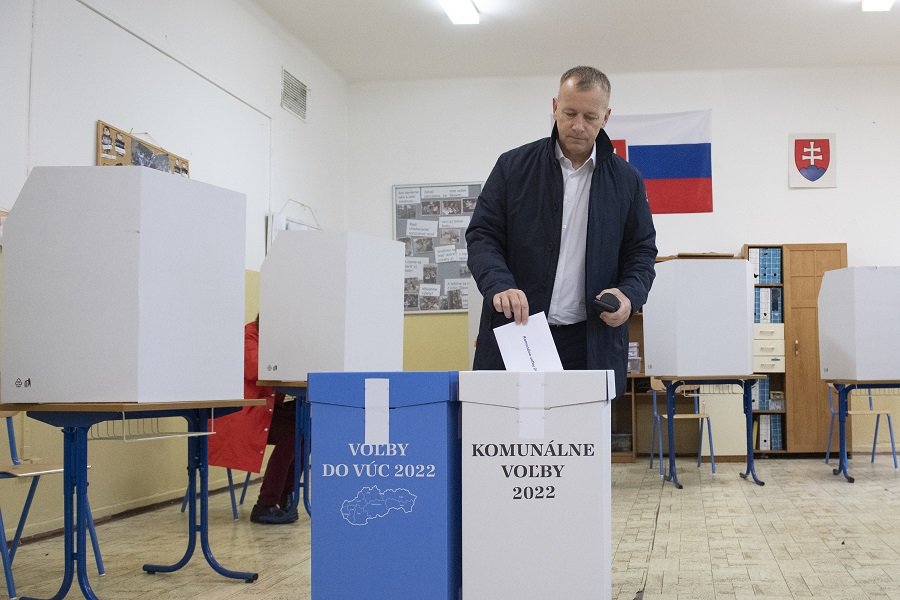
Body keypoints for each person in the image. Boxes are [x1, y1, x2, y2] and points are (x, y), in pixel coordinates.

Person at [465, 66, 657, 397]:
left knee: (582, 430)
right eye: (569, 113)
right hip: (518, 333)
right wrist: (499, 284)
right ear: (554, 107)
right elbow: (482, 235)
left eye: (590, 116)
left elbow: (641, 252)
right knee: (510, 425)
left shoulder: (627, 181)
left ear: (606, 117)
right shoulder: (513, 167)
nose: (578, 125)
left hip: (590, 341)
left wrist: (629, 295)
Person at [208, 316, 298, 524]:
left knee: (304, 429)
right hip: (239, 416)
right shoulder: (248, 335)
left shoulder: (274, 339)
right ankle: (265, 504)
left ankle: (284, 495)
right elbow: (254, 369)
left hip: (263, 412)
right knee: (294, 433)